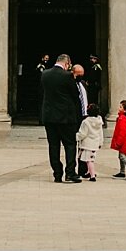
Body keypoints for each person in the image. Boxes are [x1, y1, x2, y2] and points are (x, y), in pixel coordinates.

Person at [40, 54, 81, 183]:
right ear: (67, 63)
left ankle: (57, 173)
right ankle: (70, 173)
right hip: (65, 117)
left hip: (49, 116)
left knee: (53, 145)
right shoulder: (67, 76)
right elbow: (76, 94)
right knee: (69, 144)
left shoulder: (45, 74)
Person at [76, 103, 103, 181]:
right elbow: (100, 133)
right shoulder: (99, 121)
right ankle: (89, 172)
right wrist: (100, 142)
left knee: (89, 161)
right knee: (91, 159)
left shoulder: (86, 122)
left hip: (87, 144)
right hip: (95, 144)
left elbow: (83, 133)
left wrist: (76, 137)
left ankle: (92, 175)